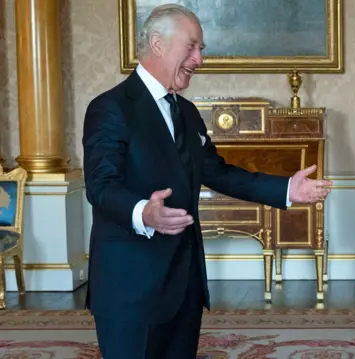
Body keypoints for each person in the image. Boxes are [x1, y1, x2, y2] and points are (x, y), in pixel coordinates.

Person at [82, 4, 332, 358]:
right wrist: (144, 213)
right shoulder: (110, 108)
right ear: (157, 44)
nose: (199, 59)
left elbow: (218, 172)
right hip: (130, 288)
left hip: (184, 287)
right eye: (192, 46)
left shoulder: (185, 112)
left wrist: (285, 189)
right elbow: (101, 186)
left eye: (201, 49)